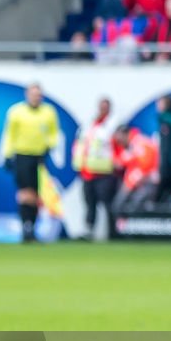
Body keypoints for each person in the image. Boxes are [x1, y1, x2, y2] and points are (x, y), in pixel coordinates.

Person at [1, 83, 60, 243]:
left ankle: (32, 226)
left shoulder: (48, 112)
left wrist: (50, 146)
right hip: (21, 155)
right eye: (33, 94)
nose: (36, 97)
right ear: (27, 95)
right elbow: (9, 135)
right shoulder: (16, 112)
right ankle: (25, 225)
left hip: (39, 156)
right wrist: (7, 154)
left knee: (36, 193)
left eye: (38, 95)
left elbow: (54, 133)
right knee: (24, 192)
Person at [72, 97, 118, 238]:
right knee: (89, 203)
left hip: (105, 171)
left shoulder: (113, 125)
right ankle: (89, 230)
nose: (102, 110)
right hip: (88, 171)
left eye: (105, 107)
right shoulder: (90, 124)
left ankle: (112, 232)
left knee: (107, 203)